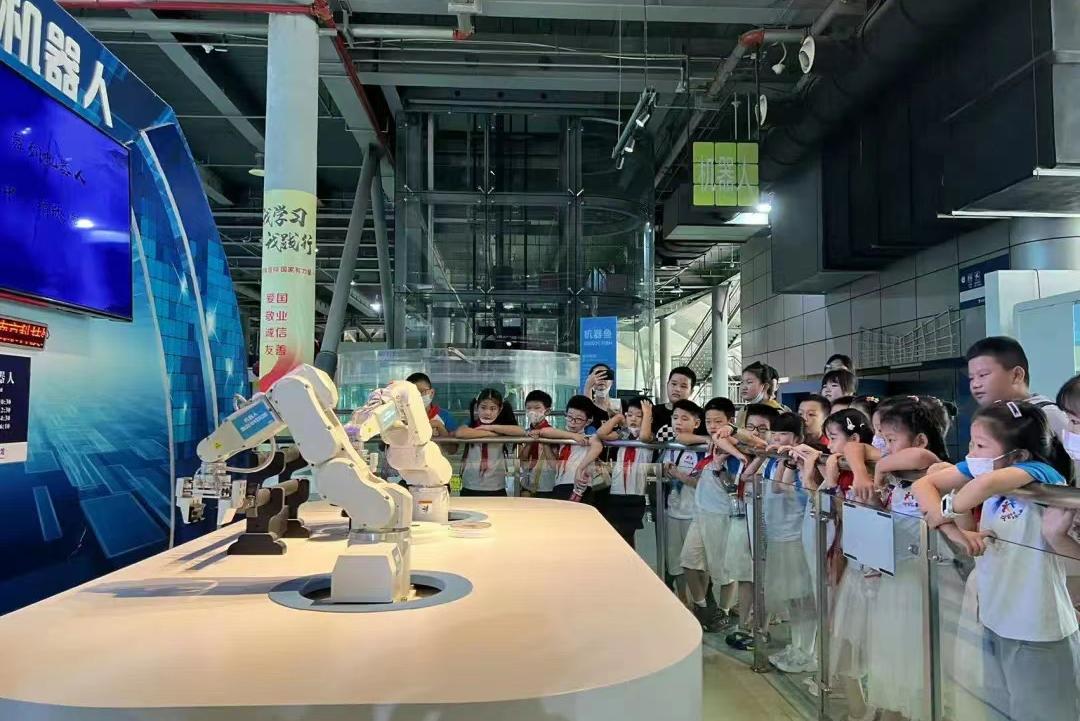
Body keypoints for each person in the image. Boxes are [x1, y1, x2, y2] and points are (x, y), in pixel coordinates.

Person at [913, 401, 1080, 721]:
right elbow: (924, 485)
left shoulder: (1041, 473)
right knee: (1000, 709)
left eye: (980, 445)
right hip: (995, 619)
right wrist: (957, 533)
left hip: (1038, 630)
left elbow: (983, 485)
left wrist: (944, 511)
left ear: (1018, 455)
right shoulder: (989, 466)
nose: (971, 453)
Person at [854, 396, 949, 721]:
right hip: (898, 577)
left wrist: (880, 468)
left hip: (924, 580)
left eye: (891, 439)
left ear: (920, 438)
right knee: (894, 656)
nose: (882, 446)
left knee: (918, 658)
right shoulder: (900, 479)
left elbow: (922, 455)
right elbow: (855, 449)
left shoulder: (934, 470)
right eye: (881, 437)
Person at [792, 408, 877, 713]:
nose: (828, 444)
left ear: (854, 438)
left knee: (849, 637)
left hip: (864, 569)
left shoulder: (864, 474)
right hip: (843, 559)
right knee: (839, 631)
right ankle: (848, 696)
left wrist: (828, 478)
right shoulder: (844, 470)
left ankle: (857, 704)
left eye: (834, 437)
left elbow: (838, 512)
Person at [680, 397, 746, 632]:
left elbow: (733, 487)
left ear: (731, 421)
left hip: (722, 515)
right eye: (708, 421)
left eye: (718, 421)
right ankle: (701, 606)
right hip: (701, 514)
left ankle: (723, 611)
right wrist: (708, 439)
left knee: (724, 570)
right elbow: (681, 436)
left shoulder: (735, 449)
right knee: (688, 561)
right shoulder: (709, 443)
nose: (712, 426)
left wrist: (718, 467)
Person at [723, 402, 780, 650]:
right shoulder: (743, 454)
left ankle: (761, 629)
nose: (755, 433)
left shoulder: (775, 457)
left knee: (764, 578)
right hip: (743, 517)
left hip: (767, 523)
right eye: (751, 427)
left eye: (763, 429)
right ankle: (744, 625)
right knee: (746, 575)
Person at [579, 398, 654, 546]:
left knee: (628, 531)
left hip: (636, 492)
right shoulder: (624, 434)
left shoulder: (650, 435)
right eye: (630, 415)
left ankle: (630, 557)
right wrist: (617, 418)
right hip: (617, 491)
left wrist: (647, 413)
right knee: (616, 531)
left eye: (639, 416)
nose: (633, 419)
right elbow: (601, 434)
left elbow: (644, 437)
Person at [965, 336, 1068, 441]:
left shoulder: (1048, 415)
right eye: (971, 378)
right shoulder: (990, 419)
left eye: (983, 375)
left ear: (1016, 375)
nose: (975, 384)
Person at [658, 399, 706, 600]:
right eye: (675, 417)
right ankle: (683, 600)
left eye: (685, 418)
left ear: (697, 423)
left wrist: (679, 475)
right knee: (675, 561)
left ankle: (701, 602)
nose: (678, 422)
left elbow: (701, 483)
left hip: (694, 515)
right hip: (672, 512)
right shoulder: (669, 444)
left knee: (696, 562)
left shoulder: (702, 448)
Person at [454, 388, 525, 496]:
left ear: (500, 409)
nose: (487, 412)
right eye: (483, 407)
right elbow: (460, 433)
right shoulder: (472, 424)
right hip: (470, 483)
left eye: (493, 409)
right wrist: (491, 434)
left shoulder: (502, 427)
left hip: (496, 484)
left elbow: (521, 431)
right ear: (477, 407)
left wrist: (491, 427)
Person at [539, 395, 600, 502]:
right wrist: (573, 436)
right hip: (559, 485)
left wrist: (580, 468)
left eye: (579, 419)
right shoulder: (562, 437)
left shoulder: (588, 438)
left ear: (588, 421)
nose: (572, 422)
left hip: (580, 487)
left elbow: (598, 446)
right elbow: (544, 431)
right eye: (570, 417)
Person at [519, 390, 558, 497]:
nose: (532, 412)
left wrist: (544, 440)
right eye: (529, 408)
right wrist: (529, 441)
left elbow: (554, 463)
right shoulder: (525, 433)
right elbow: (522, 460)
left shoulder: (553, 433)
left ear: (547, 411)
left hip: (547, 485)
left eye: (537, 408)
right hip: (527, 484)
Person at [406, 372, 459, 437]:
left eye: (422, 391)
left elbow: (453, 443)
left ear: (432, 393)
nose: (418, 396)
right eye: (413, 393)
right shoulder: (403, 416)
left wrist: (439, 426)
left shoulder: (445, 416)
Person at [651, 366, 698, 433]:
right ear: (667, 385)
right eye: (674, 384)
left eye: (683, 386)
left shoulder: (699, 414)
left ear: (691, 392)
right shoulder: (652, 412)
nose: (677, 389)